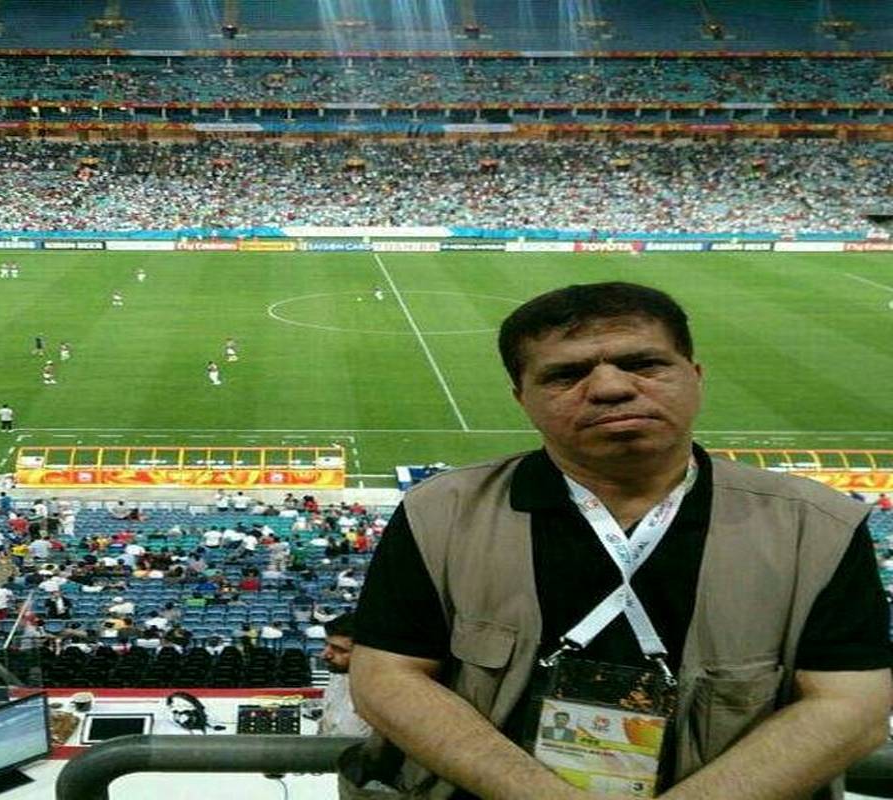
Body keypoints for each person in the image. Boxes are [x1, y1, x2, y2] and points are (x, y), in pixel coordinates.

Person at [346, 282, 890, 800]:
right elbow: (387, 678)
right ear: (521, 398)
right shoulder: (440, 512)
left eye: (643, 364)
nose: (610, 388)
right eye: (566, 374)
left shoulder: (817, 527)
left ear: (696, 376)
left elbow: (851, 707)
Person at [317, 612, 372, 737]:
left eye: (340, 650)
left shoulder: (390, 694)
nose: (324, 655)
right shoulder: (337, 677)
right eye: (326, 645)